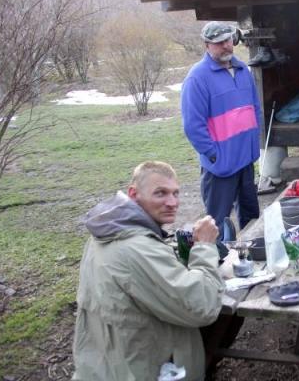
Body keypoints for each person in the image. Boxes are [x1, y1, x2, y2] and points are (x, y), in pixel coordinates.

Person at [72, 161, 225, 381]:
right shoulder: (136, 248)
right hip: (143, 370)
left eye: (176, 193)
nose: (172, 202)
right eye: (160, 193)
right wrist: (205, 247)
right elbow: (202, 306)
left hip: (104, 363)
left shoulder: (107, 230)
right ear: (134, 194)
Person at [181, 21, 261, 241]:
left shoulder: (243, 70)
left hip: (245, 160)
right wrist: (214, 154)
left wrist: (253, 143)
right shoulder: (197, 78)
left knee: (252, 217)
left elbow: (254, 108)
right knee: (216, 225)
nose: (225, 46)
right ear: (207, 45)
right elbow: (192, 125)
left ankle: (252, 259)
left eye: (227, 40)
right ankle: (216, 268)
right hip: (220, 167)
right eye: (218, 43)